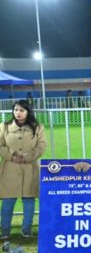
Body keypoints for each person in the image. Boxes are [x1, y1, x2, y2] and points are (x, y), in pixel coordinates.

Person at [0, 100, 47, 239]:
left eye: (21, 110)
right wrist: (12, 155)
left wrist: (28, 157)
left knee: (29, 200)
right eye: (16, 110)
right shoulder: (4, 127)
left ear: (28, 112)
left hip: (30, 167)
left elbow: (42, 146)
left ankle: (26, 230)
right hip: (10, 168)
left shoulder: (38, 127)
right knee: (8, 201)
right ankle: (5, 231)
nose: (18, 113)